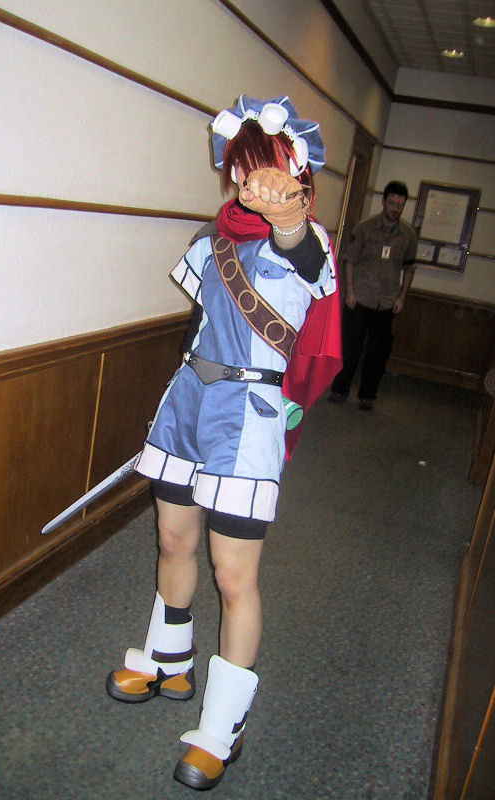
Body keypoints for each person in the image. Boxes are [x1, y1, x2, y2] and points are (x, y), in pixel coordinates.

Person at [106, 95, 341, 791]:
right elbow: (199, 326)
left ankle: (223, 728)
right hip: (188, 403)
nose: (249, 180)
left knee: (234, 575)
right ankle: (168, 661)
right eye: (241, 167)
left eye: (264, 166)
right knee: (172, 540)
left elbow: (301, 252)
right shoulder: (209, 240)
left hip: (247, 417)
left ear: (294, 172)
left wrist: (288, 214)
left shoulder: (308, 239)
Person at [329, 180, 417, 410]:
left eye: (400, 205)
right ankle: (339, 390)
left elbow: (409, 268)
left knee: (377, 354)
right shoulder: (365, 228)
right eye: (392, 203)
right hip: (359, 298)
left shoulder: (407, 234)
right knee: (350, 349)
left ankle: (367, 396)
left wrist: (402, 297)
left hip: (386, 302)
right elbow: (349, 261)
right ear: (384, 202)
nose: (395, 209)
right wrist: (349, 291)